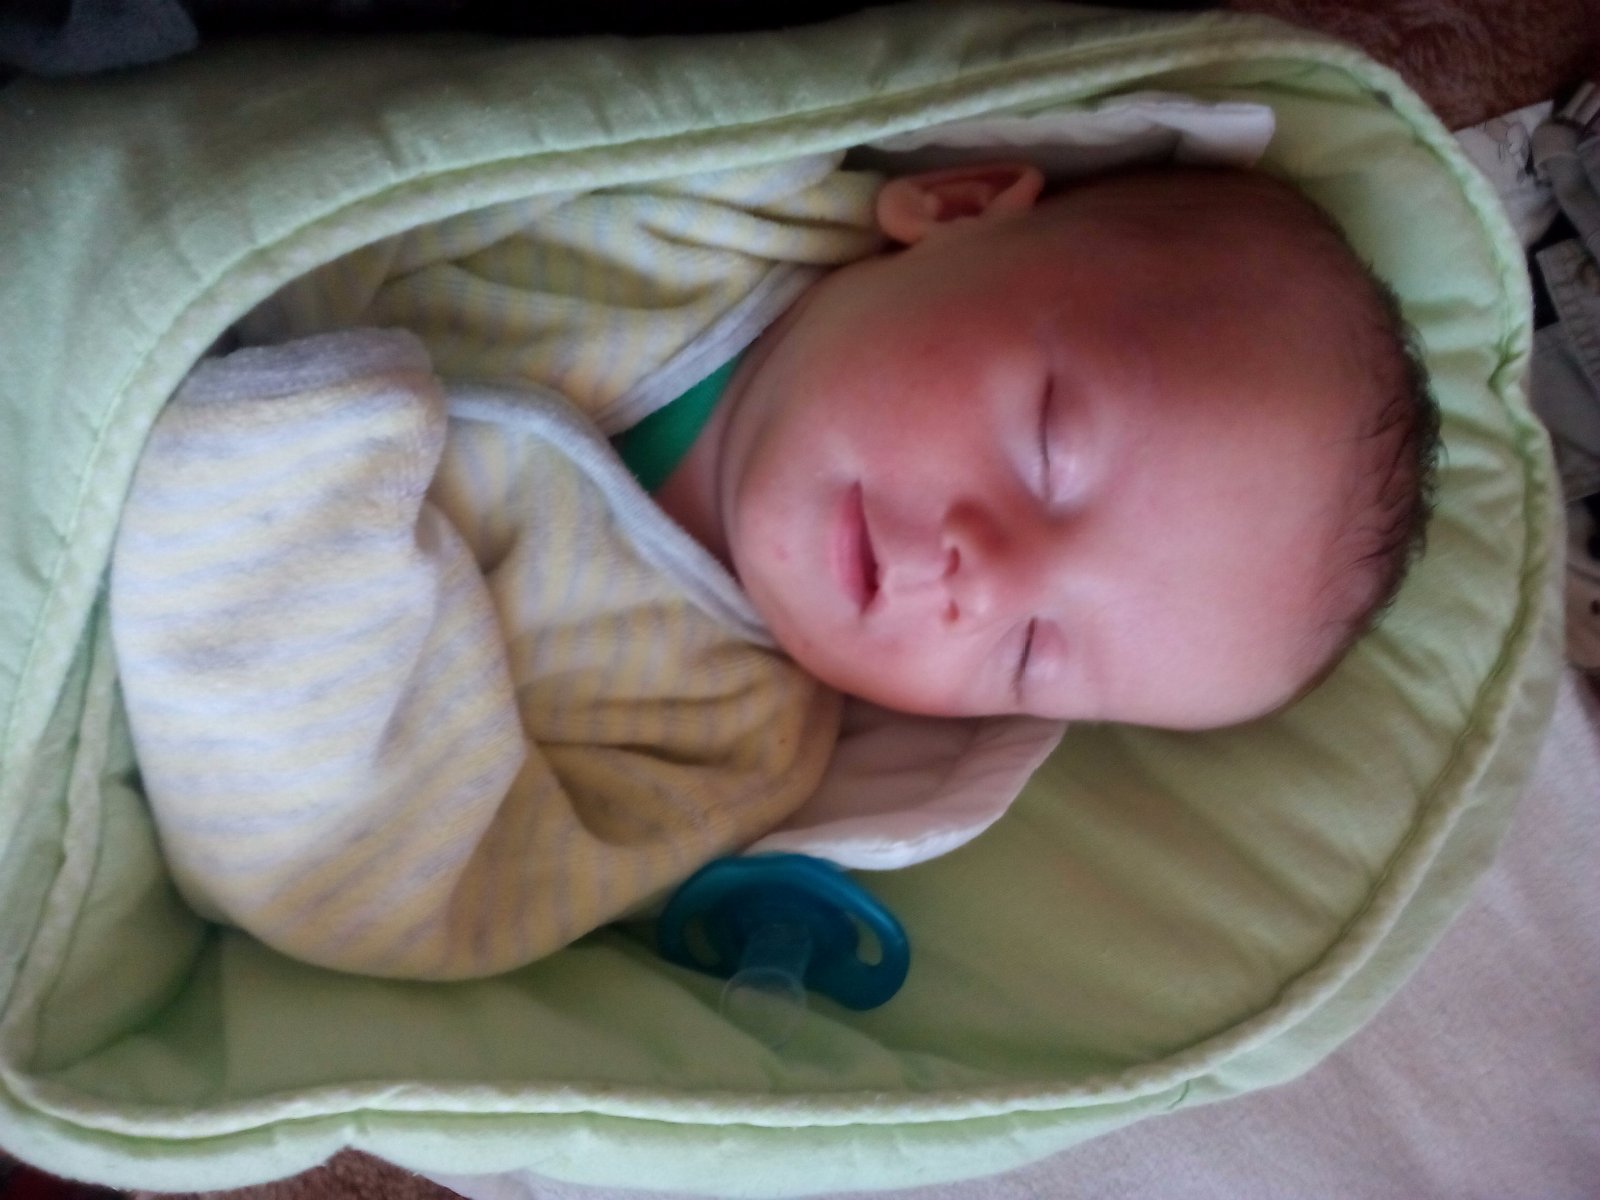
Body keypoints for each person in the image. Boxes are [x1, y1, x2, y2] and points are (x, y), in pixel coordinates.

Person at [108, 156, 1436, 979]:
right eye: (1049, 448)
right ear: (958, 207)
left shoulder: (716, 741)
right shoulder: (702, 189)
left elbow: (385, 890)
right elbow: (365, 137)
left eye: (1032, 652)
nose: (981, 574)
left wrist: (277, 493)